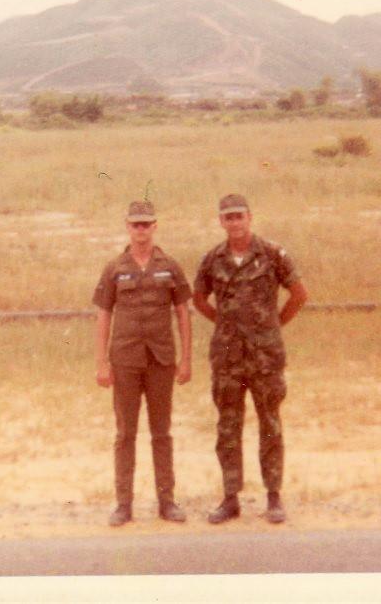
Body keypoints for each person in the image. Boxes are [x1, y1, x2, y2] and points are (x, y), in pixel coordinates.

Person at [193, 193, 308, 524]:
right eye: (228, 217)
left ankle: (273, 496)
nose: (234, 222)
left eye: (239, 215)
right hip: (228, 357)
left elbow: (299, 294)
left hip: (264, 357)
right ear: (221, 222)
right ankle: (230, 499)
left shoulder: (272, 254)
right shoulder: (213, 259)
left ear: (250, 217)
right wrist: (225, 324)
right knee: (228, 426)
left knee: (270, 423)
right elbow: (199, 299)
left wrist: (273, 325)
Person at [93, 200, 192, 527]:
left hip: (161, 359)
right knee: (125, 434)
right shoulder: (115, 268)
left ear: (155, 226)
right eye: (135, 224)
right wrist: (101, 363)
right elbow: (104, 314)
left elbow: (182, 313)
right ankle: (124, 504)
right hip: (125, 361)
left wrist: (186, 359)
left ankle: (167, 501)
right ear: (127, 226)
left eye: (146, 224)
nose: (141, 230)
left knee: (161, 433)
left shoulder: (170, 266)